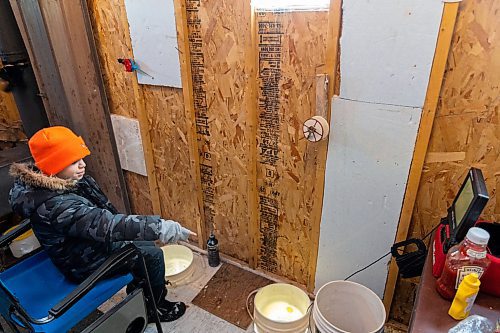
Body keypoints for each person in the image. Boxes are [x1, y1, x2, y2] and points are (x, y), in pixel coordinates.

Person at [9, 126, 195, 322]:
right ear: (52, 166)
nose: (82, 165)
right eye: (73, 162)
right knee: (153, 255)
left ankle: (142, 289)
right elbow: (107, 225)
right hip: (81, 263)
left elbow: (103, 218)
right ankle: (155, 308)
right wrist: (160, 227)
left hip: (82, 245)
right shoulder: (58, 207)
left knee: (143, 245)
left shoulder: (57, 182)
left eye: (81, 158)